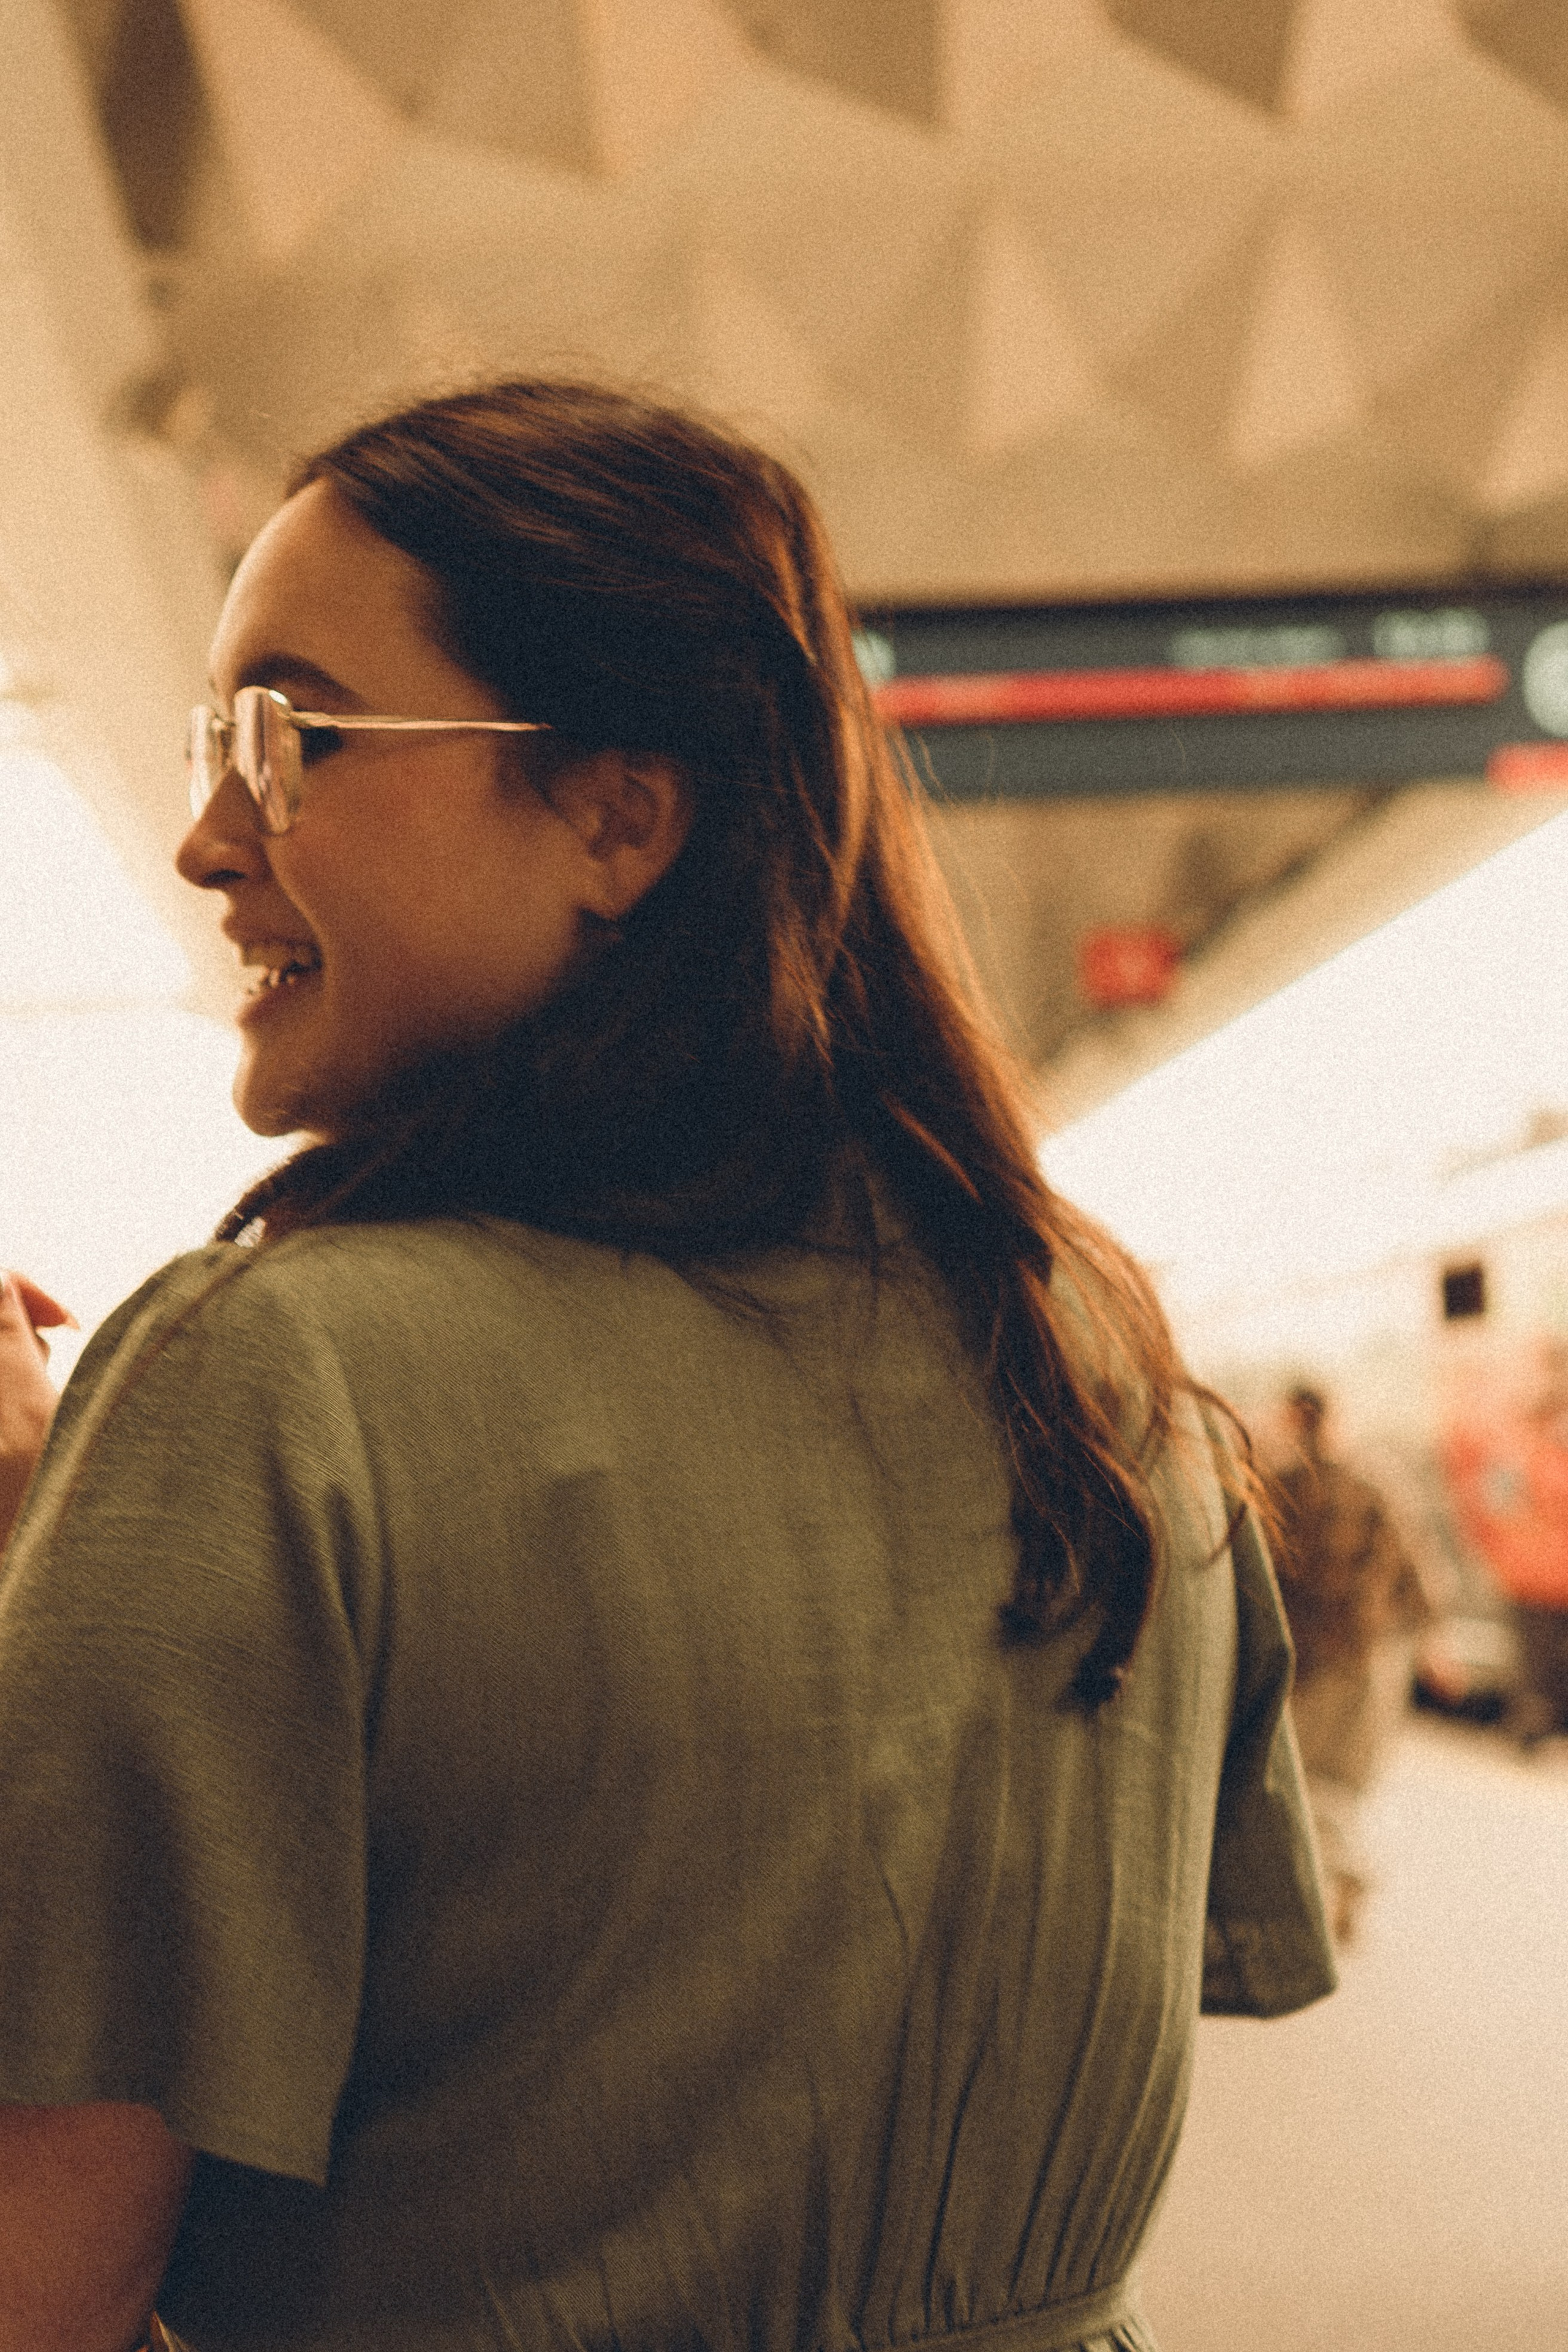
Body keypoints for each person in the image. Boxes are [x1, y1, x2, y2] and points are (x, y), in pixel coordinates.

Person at [0, 381, 1333, 2352]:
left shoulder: (272, 1388)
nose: (214, 833)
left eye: (287, 734)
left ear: (619, 812)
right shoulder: (1091, 1366)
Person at [1270, 1384, 1432, 1945]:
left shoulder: (1281, 1486)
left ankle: (1330, 1884)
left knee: (1308, 1781)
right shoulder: (1376, 1483)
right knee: (1340, 1782)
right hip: (1366, 1663)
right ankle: (1342, 1880)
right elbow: (1418, 1578)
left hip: (1305, 1662)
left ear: (1295, 1417)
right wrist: (1431, 1643)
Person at [1442, 1335, 1568, 1749]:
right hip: (1536, 1574)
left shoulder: (1520, 1441)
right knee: (1539, 1660)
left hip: (1535, 1570)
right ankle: (1534, 1727)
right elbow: (1496, 1501)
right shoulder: (1516, 1442)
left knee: (1542, 1660)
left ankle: (1536, 1726)